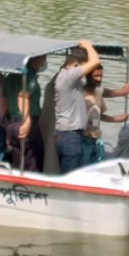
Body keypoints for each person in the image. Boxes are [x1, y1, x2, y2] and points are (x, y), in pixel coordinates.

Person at [53, 40, 100, 174]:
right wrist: (88, 45)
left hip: (63, 132)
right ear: (75, 64)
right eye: (82, 68)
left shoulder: (64, 76)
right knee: (69, 175)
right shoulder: (70, 76)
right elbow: (95, 61)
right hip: (70, 134)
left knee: (65, 170)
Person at [3, 55, 47, 172]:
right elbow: (22, 96)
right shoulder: (30, 76)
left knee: (17, 159)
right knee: (34, 160)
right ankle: (32, 187)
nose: (44, 63)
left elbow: (4, 103)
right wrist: (26, 120)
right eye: (43, 58)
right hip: (26, 123)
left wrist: (7, 126)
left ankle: (15, 184)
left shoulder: (10, 76)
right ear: (35, 59)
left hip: (12, 123)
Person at [81, 64, 129, 165]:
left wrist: (117, 119)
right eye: (96, 76)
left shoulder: (97, 92)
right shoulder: (80, 95)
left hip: (96, 139)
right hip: (82, 140)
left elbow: (99, 115)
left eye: (101, 76)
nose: (99, 79)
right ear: (87, 76)